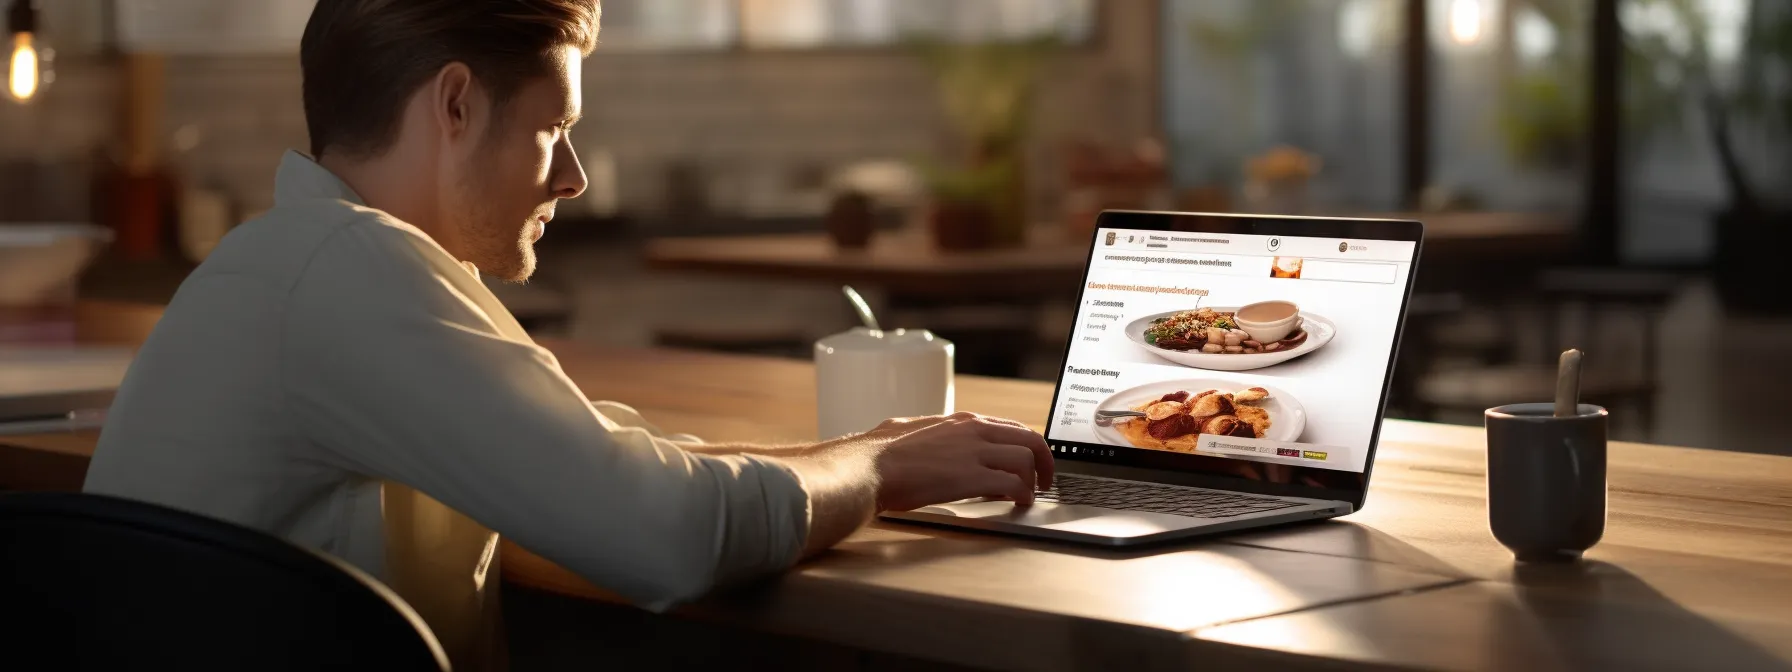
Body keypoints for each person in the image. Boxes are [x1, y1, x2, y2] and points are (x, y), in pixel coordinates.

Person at [81, 1, 1053, 669]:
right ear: (454, 105)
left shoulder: (302, 260)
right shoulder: (344, 270)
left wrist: (859, 450)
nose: (573, 177)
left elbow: (596, 456)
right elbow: (667, 533)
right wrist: (882, 477)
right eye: (554, 128)